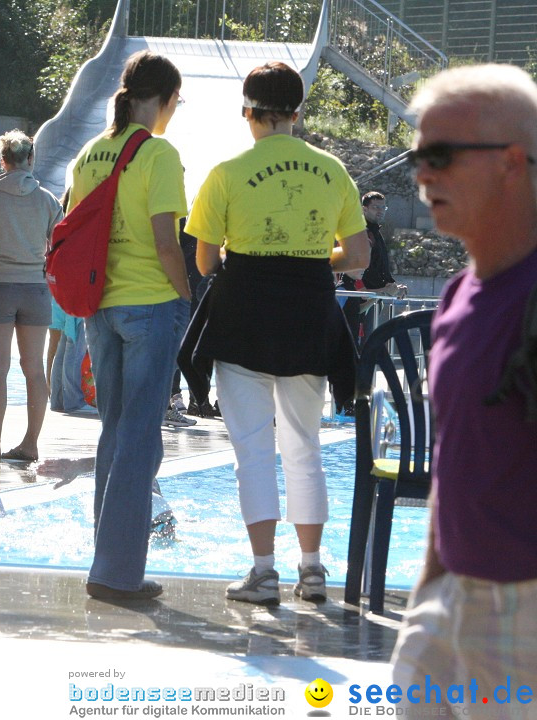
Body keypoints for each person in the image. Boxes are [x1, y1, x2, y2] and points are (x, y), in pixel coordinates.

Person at [184, 62, 369, 604]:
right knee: (304, 447)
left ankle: (263, 572)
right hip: (310, 319)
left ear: (248, 112)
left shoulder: (226, 171)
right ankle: (311, 570)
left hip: (243, 318)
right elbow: (357, 256)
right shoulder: (332, 170)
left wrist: (240, 253)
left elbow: (203, 264)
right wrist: (309, 256)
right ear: (296, 112)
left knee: (252, 450)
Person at [390, 64, 537, 715]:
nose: (423, 174)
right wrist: (427, 596)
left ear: (512, 162)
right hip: (447, 605)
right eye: (419, 155)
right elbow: (456, 460)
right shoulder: (458, 296)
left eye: (441, 156)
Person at [67, 50, 191, 601]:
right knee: (142, 437)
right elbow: (167, 242)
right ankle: (119, 572)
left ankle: (105, 559)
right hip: (149, 304)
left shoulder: (90, 153)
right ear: (163, 99)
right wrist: (185, 297)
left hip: (101, 306)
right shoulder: (159, 153)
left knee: (115, 433)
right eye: (175, 102)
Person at [0, 129, 62, 463]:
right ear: (31, 158)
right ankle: (31, 443)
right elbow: (60, 250)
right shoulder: (48, 200)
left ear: (2, 160)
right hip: (35, 289)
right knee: (34, 369)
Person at [339, 191, 408, 350]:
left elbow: (379, 268)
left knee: (368, 346)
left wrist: (394, 286)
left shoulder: (375, 232)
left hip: (373, 297)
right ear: (364, 209)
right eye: (376, 207)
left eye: (383, 207)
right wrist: (377, 291)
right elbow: (355, 267)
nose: (381, 210)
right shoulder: (362, 233)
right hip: (362, 298)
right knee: (361, 347)